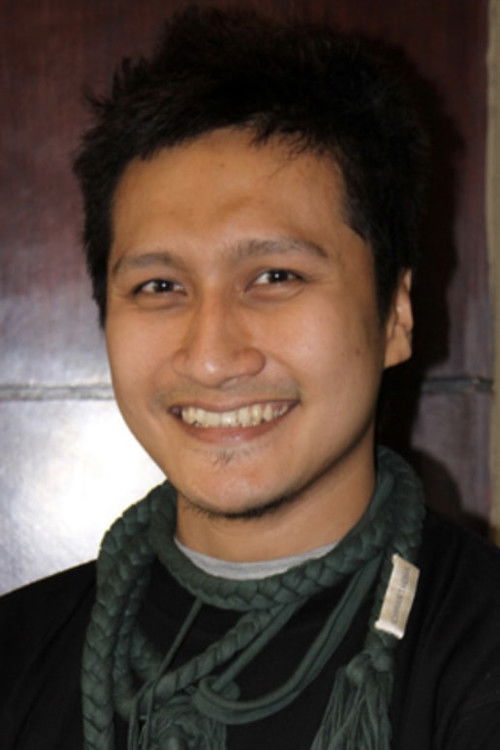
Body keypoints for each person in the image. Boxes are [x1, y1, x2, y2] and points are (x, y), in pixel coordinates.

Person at [1, 6, 500, 749]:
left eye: (275, 276)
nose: (210, 356)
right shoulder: (17, 653)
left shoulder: (477, 655)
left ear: (395, 315)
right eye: (160, 287)